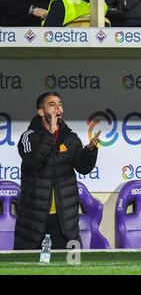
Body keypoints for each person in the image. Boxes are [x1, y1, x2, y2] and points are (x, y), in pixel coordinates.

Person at [14, 91, 101, 250]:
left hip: (64, 220)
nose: (58, 108)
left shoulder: (70, 138)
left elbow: (83, 167)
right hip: (34, 221)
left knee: (69, 265)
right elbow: (34, 162)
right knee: (31, 269)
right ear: (41, 111)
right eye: (52, 105)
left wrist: (89, 151)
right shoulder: (28, 137)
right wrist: (49, 134)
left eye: (60, 104)